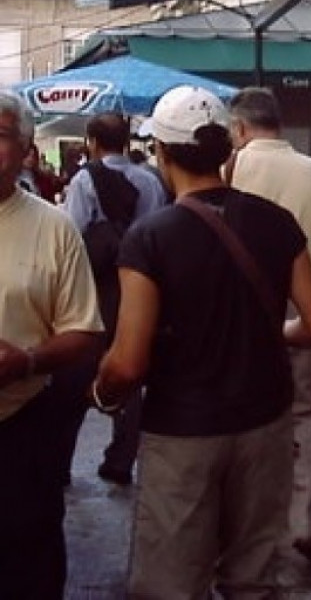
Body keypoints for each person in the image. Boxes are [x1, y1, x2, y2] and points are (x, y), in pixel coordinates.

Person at [93, 85, 311, 598]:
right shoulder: (277, 223)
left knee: (172, 584)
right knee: (253, 580)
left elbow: (130, 361)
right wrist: (275, 331)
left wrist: (102, 391)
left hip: (183, 433)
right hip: (265, 428)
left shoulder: (151, 237)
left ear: (161, 153)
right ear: (227, 149)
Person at [227, 87, 311, 570]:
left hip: (248, 322)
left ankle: (257, 529)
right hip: (308, 311)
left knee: (252, 423)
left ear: (239, 128)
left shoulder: (233, 170)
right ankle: (309, 523)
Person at [0, 90, 104, 598]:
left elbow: (83, 332)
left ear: (24, 150)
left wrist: (28, 360)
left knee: (30, 556)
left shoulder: (55, 227)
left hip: (24, 424)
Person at [60, 112, 168, 487]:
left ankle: (61, 462)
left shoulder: (83, 180)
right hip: (142, 286)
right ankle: (121, 459)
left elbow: (71, 237)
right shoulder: (151, 180)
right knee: (132, 372)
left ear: (92, 140)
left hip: (97, 286)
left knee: (76, 373)